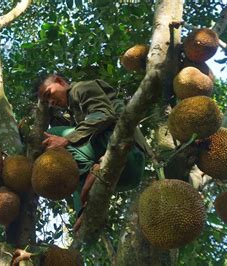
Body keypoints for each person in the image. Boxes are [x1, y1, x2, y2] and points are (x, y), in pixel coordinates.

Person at [34, 74, 148, 230]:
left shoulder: (81, 88)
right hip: (127, 177)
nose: (51, 102)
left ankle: (93, 171)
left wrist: (67, 139)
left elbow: (103, 114)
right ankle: (83, 212)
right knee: (72, 178)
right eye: (47, 102)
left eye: (49, 94)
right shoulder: (74, 113)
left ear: (60, 81)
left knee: (51, 137)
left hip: (127, 150)